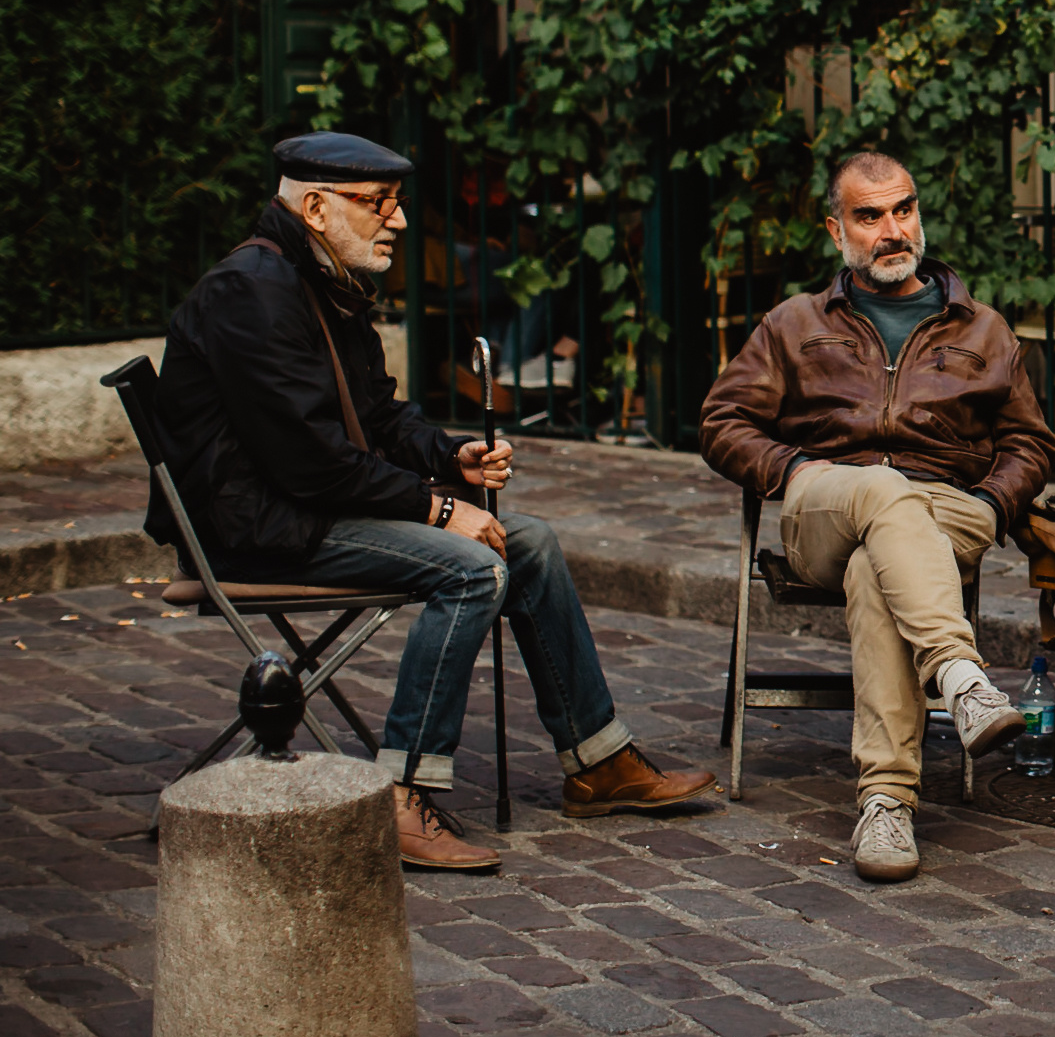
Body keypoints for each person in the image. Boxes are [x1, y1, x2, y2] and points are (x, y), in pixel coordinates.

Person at [155, 134, 716, 872]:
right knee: (471, 568)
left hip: (304, 503)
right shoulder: (253, 289)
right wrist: (442, 508)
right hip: (259, 524)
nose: (397, 220)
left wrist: (451, 455)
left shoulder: (322, 275)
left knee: (532, 541)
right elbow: (312, 462)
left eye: (396, 203)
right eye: (376, 203)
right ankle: (401, 789)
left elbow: (381, 417)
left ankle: (598, 761)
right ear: (316, 208)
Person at [699, 152, 1055, 883]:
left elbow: (1029, 443)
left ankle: (887, 800)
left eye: (904, 209)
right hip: (827, 504)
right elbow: (723, 419)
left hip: (948, 510)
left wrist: (990, 503)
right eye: (870, 216)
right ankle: (959, 672)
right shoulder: (794, 323)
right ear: (837, 230)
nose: (893, 230)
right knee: (879, 498)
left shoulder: (982, 329)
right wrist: (794, 469)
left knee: (879, 562)